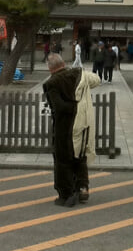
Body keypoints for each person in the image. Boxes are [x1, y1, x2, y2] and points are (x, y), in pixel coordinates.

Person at [43, 53, 101, 206]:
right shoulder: (79, 74)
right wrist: (81, 103)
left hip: (65, 126)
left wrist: (73, 107)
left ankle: (66, 194)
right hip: (84, 122)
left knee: (63, 159)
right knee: (80, 155)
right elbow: (97, 80)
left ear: (50, 68)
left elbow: (59, 107)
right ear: (63, 63)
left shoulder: (52, 83)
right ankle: (82, 187)